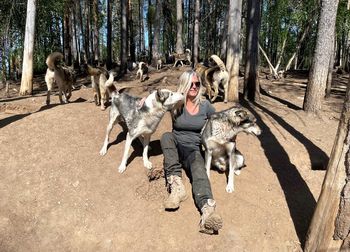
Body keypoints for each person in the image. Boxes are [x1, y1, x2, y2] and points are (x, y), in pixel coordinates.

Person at [160, 70, 223, 234]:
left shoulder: (205, 105)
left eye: (197, 83)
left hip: (193, 149)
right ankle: (177, 189)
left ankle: (207, 211)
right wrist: (144, 100)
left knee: (199, 171)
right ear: (184, 85)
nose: (194, 87)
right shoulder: (175, 102)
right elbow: (156, 102)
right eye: (191, 84)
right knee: (166, 136)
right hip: (175, 145)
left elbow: (220, 121)